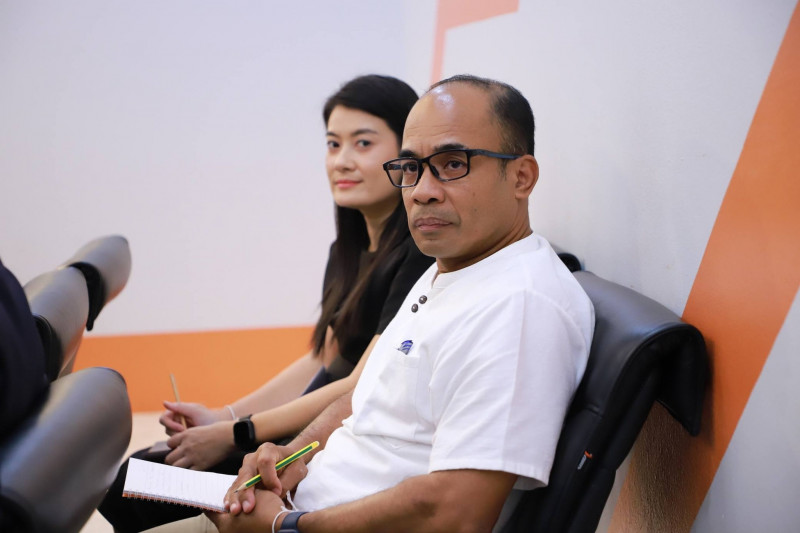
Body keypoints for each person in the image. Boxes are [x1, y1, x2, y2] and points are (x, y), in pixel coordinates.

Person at [150, 74, 595, 533]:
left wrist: (286, 525)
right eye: (411, 167)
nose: (421, 190)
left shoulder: (518, 308)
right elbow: (366, 394)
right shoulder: (451, 267)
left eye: (452, 164)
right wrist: (292, 453)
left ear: (521, 177)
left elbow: (458, 511)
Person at [98, 74, 434, 532]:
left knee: (138, 486)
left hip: (322, 449)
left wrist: (235, 433)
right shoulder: (348, 248)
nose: (342, 160)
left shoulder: (418, 255)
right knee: (136, 474)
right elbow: (322, 359)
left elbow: (359, 383)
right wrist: (224, 417)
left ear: (405, 156)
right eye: (333, 144)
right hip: (287, 436)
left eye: (363, 143)